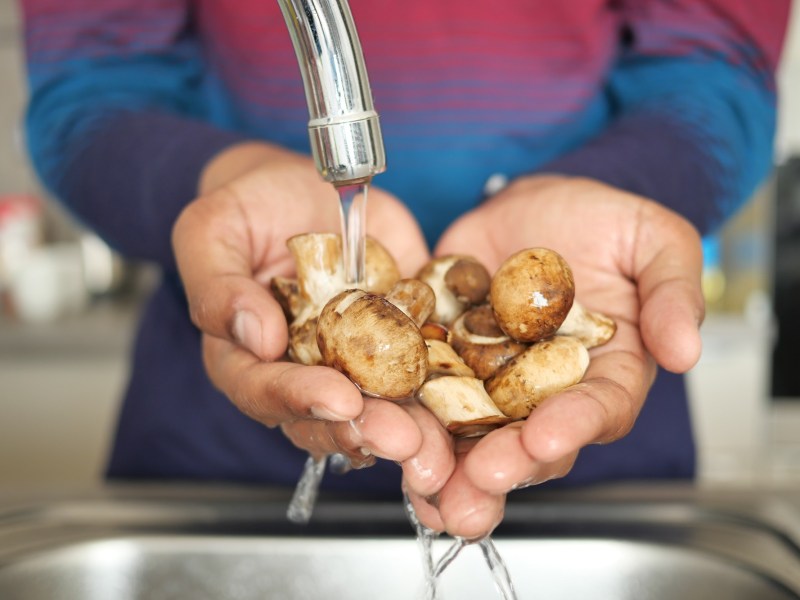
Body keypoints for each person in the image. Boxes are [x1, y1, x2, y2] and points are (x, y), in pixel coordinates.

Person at [20, 1, 790, 539]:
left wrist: (628, 191)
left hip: (606, 474)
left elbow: (715, 63)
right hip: (212, 454)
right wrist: (223, 178)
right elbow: (89, 87)